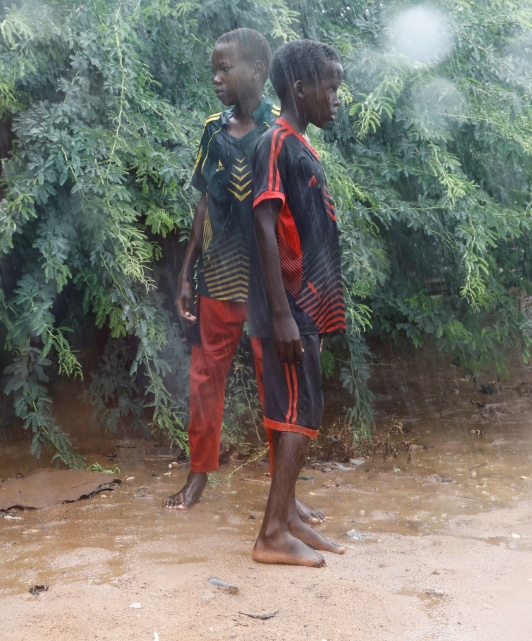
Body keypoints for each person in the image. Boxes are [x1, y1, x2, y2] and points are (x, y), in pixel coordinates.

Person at [164, 29, 324, 527]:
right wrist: (186, 273)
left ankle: (285, 493)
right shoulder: (212, 132)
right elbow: (205, 202)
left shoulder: (279, 134)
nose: (215, 78)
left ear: (256, 71)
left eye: (224, 68)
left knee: (276, 387)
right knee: (203, 381)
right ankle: (198, 475)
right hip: (217, 278)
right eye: (213, 69)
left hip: (269, 289)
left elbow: (294, 217)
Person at [249, 39, 347, 567]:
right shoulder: (275, 143)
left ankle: (286, 517)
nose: (336, 98)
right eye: (330, 87)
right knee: (298, 412)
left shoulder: (299, 146)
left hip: (305, 306)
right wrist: (283, 314)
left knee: (296, 408)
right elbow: (264, 224)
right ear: (299, 88)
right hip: (289, 307)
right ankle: (270, 535)